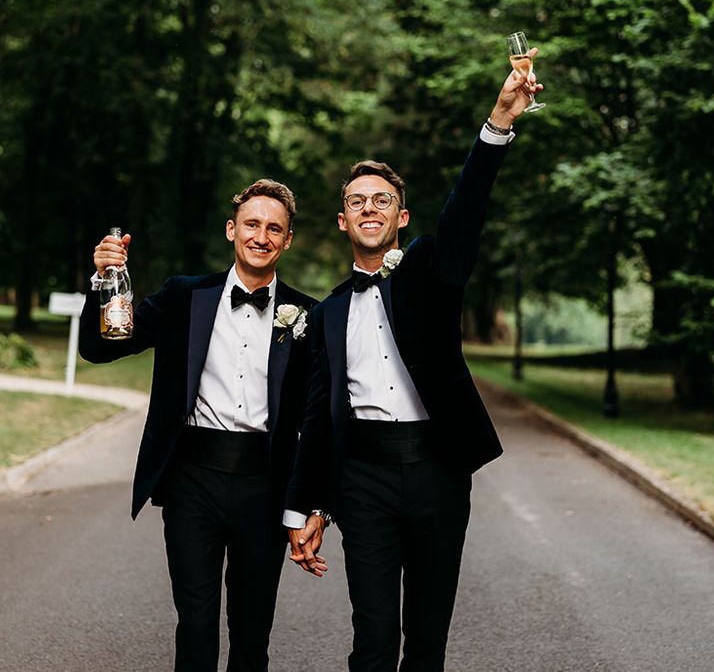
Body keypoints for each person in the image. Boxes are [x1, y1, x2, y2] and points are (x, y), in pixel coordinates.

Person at [282, 60, 544, 671]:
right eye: (356, 202)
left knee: (426, 642)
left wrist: (500, 121)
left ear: (400, 218)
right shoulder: (326, 314)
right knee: (371, 640)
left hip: (437, 471)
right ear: (343, 220)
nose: (368, 208)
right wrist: (308, 507)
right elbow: (319, 419)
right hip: (363, 480)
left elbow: (466, 211)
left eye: (382, 200)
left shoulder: (430, 270)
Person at [79, 179, 318, 671]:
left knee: (253, 633)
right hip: (192, 481)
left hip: (265, 487)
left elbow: (321, 420)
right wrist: (103, 280)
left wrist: (311, 503)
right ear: (232, 230)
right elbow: (100, 348)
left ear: (288, 239)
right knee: (195, 624)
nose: (262, 236)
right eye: (252, 224)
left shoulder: (308, 316)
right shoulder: (184, 297)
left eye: (275, 228)